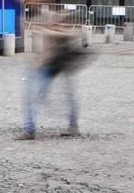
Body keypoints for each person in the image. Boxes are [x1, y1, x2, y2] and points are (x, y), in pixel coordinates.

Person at [18, 10, 87, 140]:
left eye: (56, 20)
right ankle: (29, 128)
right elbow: (30, 27)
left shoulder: (63, 32)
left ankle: (30, 129)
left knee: (67, 96)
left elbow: (68, 33)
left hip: (56, 65)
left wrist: (48, 28)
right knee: (34, 95)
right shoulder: (50, 29)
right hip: (48, 65)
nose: (53, 22)